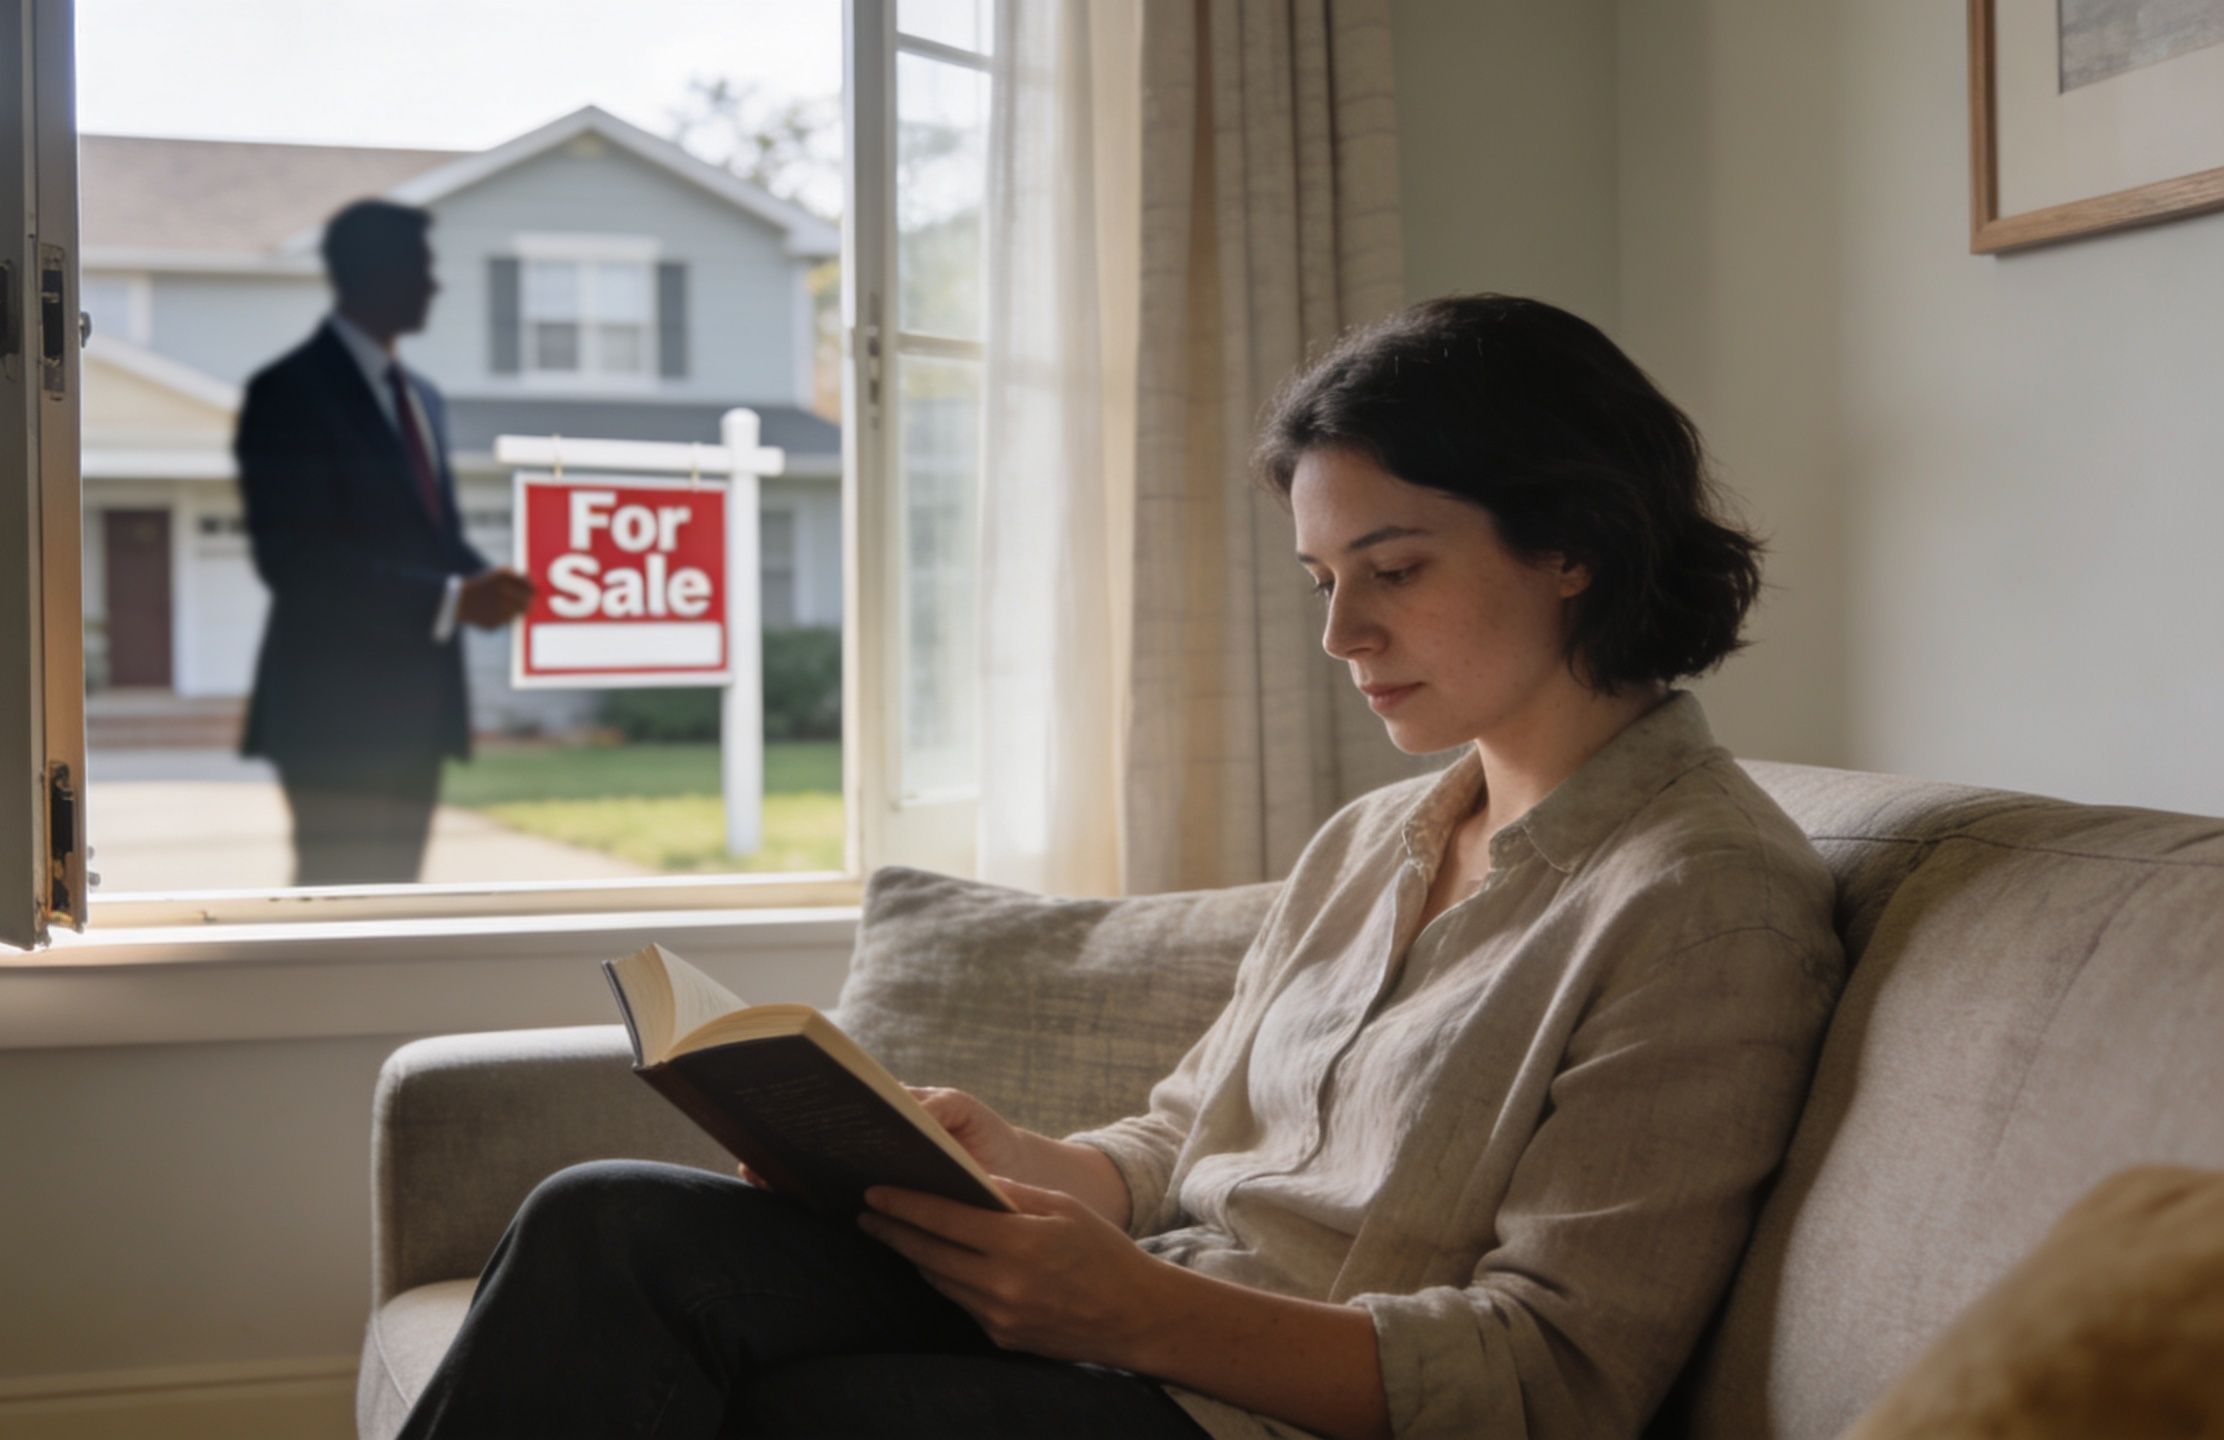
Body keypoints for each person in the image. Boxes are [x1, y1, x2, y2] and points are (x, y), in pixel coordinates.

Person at [392, 294, 1846, 1439]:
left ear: (1576, 544)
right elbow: (1188, 1140)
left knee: (773, 1410)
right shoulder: (1372, 842)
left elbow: (1554, 1381)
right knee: (605, 1225)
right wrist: (1031, 1169)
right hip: (1147, 1331)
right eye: (1323, 581)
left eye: (1393, 570)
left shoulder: (1705, 901)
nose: (1342, 636)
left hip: (1246, 1409)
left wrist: (1132, 1313)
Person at [234, 199, 531, 886]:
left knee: (398, 908)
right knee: (337, 921)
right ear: (370, 273)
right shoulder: (288, 393)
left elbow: (439, 538)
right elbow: (297, 562)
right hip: (331, 714)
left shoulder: (423, 397)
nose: (434, 284)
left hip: (423, 708)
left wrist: (506, 585)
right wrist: (456, 598)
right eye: (420, 267)